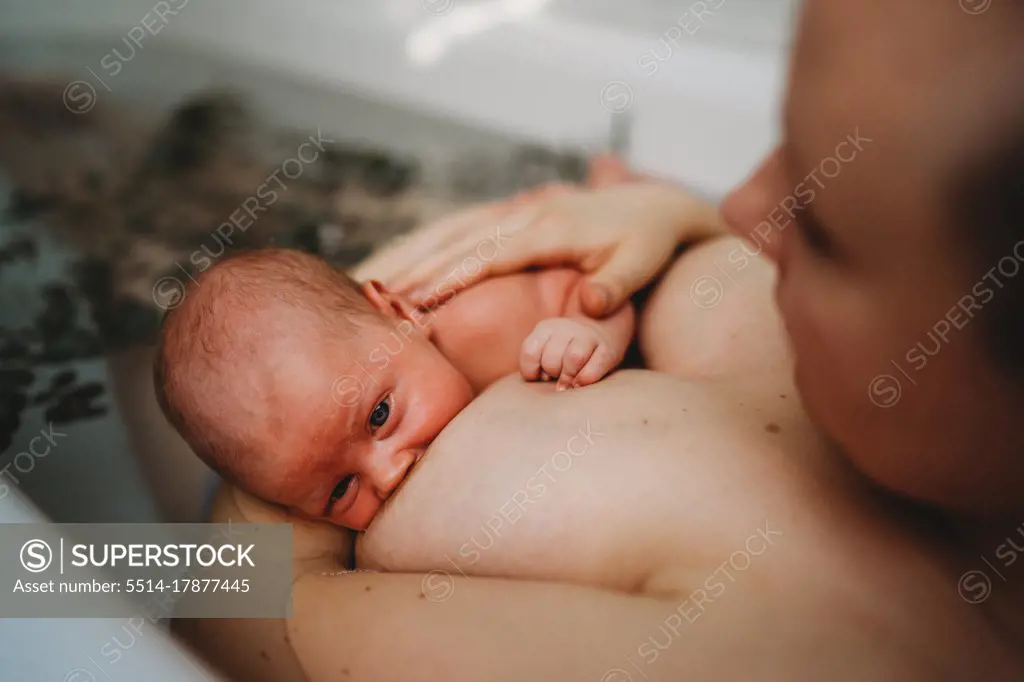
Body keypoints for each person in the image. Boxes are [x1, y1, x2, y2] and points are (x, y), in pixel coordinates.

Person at [174, 1, 1024, 680]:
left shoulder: (795, 644)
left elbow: (238, 627)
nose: (738, 207)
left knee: (46, 577)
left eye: (829, 228)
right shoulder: (881, 401)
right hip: (392, 302)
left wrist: (277, 464)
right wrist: (666, 214)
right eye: (787, 147)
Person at [154, 239, 636, 530]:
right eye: (341, 491)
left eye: (379, 416)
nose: (387, 477)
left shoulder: (486, 324)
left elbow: (598, 284)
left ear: (403, 316)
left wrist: (589, 331)